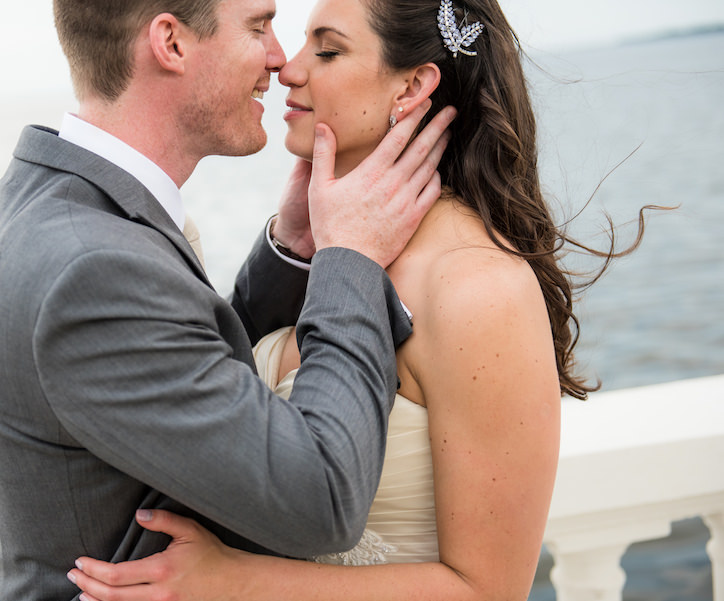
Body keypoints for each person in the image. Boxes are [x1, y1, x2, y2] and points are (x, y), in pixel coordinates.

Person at [67, 0, 655, 599]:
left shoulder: (478, 288)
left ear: (412, 86)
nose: (287, 69)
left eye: (327, 50)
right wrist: (301, 246)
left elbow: (489, 589)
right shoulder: (341, 249)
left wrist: (232, 581)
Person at [0, 0, 456, 598]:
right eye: (258, 26)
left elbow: (179, 378)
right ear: (170, 43)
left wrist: (293, 249)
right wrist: (349, 259)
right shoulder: (93, 269)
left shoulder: (53, 197)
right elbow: (323, 500)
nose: (279, 59)